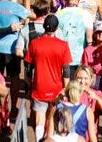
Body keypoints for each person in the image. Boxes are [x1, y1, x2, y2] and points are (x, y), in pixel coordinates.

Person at [27, 14, 72, 142]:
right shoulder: (63, 45)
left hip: (39, 86)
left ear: (43, 26)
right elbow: (66, 70)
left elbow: (29, 68)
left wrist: (29, 83)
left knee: (39, 120)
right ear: (57, 28)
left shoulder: (34, 43)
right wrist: (66, 88)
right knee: (53, 118)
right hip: (56, 88)